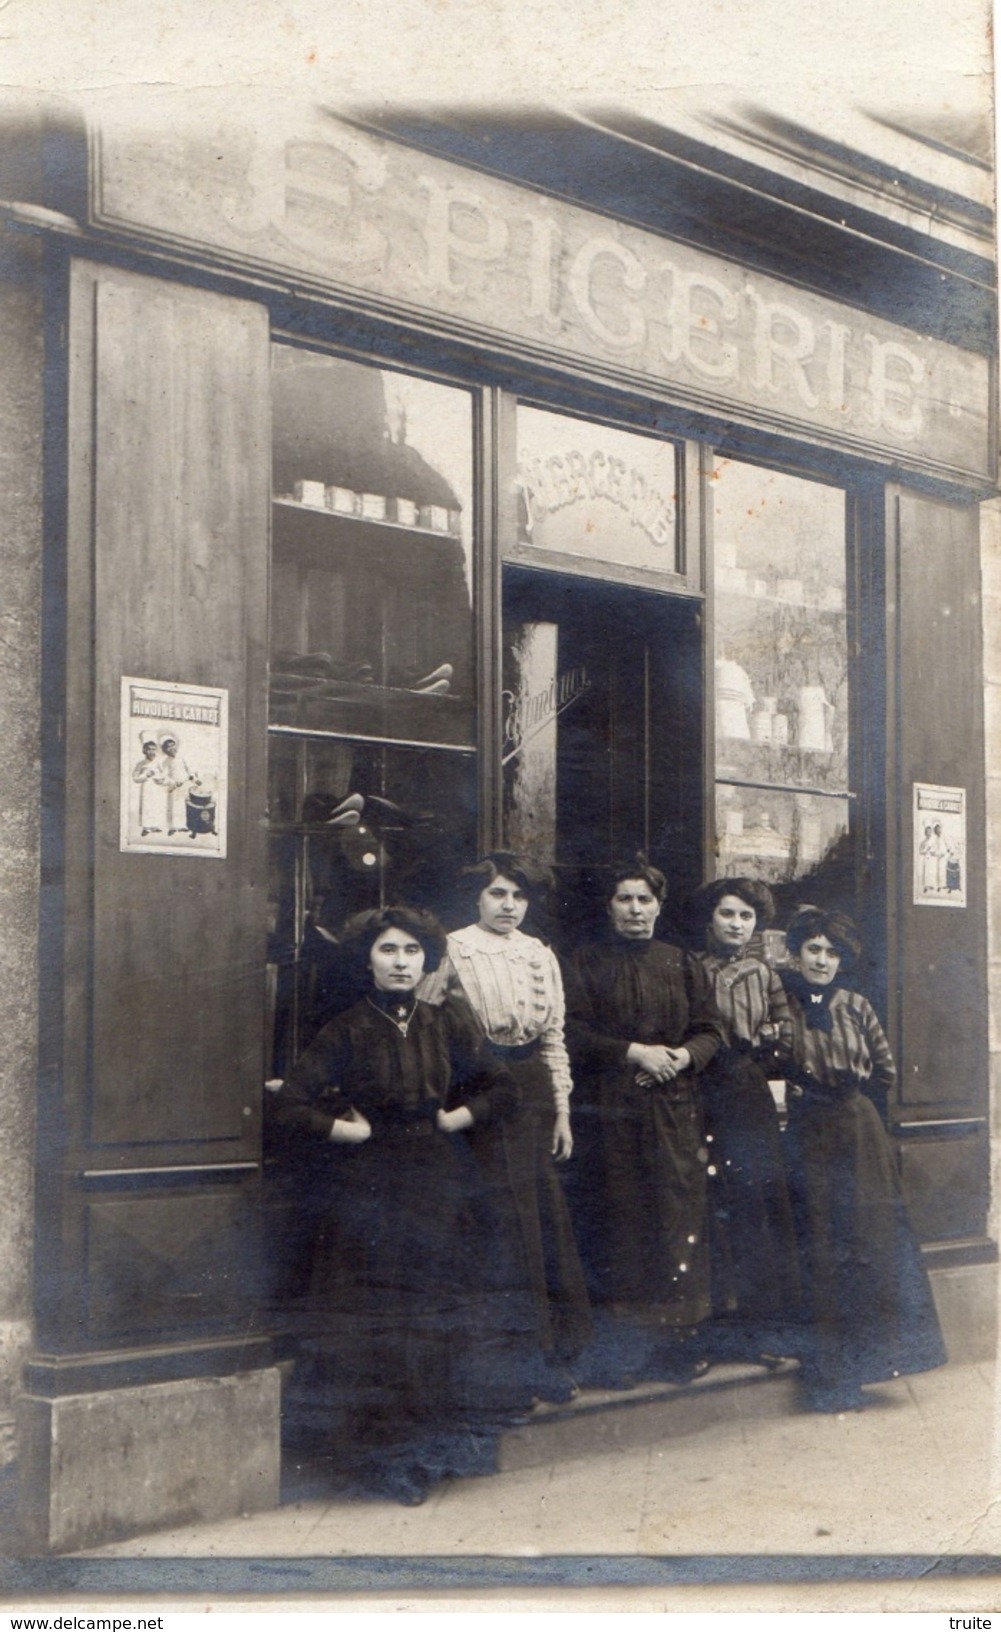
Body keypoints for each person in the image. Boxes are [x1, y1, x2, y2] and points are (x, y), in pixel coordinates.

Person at [270, 904, 527, 1506]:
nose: (401, 962)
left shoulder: (447, 1022)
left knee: (436, 1315)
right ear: (368, 959)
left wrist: (455, 1117)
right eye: (388, 950)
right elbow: (292, 1104)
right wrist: (348, 1132)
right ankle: (382, 1460)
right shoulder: (345, 1029)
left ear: (426, 960)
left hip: (439, 1182)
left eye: (412, 952)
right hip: (370, 1190)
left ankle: (433, 1452)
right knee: (381, 1321)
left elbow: (503, 1086)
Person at [420, 854, 591, 1399]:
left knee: (538, 1219)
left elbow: (554, 1038)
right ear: (477, 897)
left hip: (533, 1094)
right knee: (496, 1223)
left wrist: (562, 1109)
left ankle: (547, 1355)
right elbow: (424, 1027)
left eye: (518, 896)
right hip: (476, 1091)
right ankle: (499, 1365)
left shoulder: (539, 954)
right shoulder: (451, 948)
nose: (509, 906)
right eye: (497, 894)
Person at [564, 856, 724, 1387]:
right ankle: (621, 1354)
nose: (635, 910)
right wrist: (635, 1051)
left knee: (677, 1222)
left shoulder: (681, 964)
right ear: (609, 906)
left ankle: (677, 1346)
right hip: (610, 1113)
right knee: (620, 1223)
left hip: (676, 1112)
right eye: (624, 899)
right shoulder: (585, 962)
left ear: (659, 905)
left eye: (645, 900)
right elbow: (571, 1033)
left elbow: (710, 1031)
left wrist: (679, 1058)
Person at [779, 906, 947, 1412]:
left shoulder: (855, 1006)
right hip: (806, 1129)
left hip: (856, 1130)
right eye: (813, 950)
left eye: (832, 953)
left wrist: (848, 1101)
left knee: (866, 1239)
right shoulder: (780, 1003)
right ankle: (826, 1373)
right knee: (820, 1240)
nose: (822, 961)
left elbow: (885, 1071)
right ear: (797, 953)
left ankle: (868, 1363)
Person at [688, 877, 800, 1361]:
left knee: (754, 1203)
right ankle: (709, 1329)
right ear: (710, 919)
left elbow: (785, 1032)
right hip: (700, 1090)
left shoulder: (766, 974)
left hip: (748, 1091)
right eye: (727, 914)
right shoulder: (691, 968)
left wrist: (770, 1040)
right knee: (707, 1203)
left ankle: (757, 1328)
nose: (736, 924)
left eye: (746, 917)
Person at [132, 731, 164, 835]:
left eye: (153, 749)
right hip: (146, 788)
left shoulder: (159, 763)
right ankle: (146, 828)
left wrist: (160, 778)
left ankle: (155, 826)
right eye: (149, 749)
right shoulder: (141, 764)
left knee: (156, 805)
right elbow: (135, 778)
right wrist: (145, 775)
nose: (151, 751)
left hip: (157, 788)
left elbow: (164, 774)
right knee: (147, 806)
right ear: (144, 750)